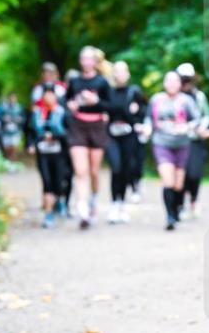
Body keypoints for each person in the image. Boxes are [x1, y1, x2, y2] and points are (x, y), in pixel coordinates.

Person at [143, 70, 201, 230]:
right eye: (168, 81)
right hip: (161, 143)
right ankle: (169, 216)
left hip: (182, 144)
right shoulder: (156, 99)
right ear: (164, 83)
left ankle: (176, 209)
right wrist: (147, 129)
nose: (172, 84)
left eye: (175, 81)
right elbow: (148, 118)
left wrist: (188, 126)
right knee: (167, 180)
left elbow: (196, 119)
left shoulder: (186, 100)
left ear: (180, 84)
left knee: (178, 183)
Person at [65, 46, 113, 229]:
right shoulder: (75, 81)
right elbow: (67, 101)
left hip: (97, 126)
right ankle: (82, 208)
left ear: (94, 61)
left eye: (89, 59)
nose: (86, 62)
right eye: (83, 59)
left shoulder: (102, 82)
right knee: (80, 171)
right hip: (78, 126)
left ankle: (93, 199)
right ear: (80, 61)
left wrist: (96, 102)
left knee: (93, 171)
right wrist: (71, 105)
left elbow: (110, 105)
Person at [105, 61, 147, 224]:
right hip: (112, 136)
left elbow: (144, 112)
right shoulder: (108, 92)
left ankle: (121, 204)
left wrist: (137, 116)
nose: (120, 74)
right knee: (116, 167)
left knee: (126, 169)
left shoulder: (134, 92)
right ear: (113, 74)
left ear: (128, 74)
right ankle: (114, 204)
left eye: (123, 71)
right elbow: (102, 107)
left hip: (129, 136)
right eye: (117, 71)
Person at [177, 62, 209, 219]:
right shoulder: (174, 97)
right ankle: (180, 204)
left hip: (196, 141)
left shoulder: (199, 97)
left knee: (195, 173)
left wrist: (203, 129)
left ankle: (193, 199)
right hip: (178, 141)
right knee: (181, 174)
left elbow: (206, 116)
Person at [31, 88, 70, 228]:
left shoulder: (62, 112)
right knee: (47, 182)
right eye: (45, 95)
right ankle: (48, 214)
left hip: (59, 154)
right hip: (43, 154)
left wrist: (54, 136)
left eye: (51, 94)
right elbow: (30, 131)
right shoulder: (37, 113)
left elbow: (69, 133)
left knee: (59, 182)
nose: (48, 97)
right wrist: (32, 144)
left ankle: (60, 202)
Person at [0, 92, 25, 160]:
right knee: (7, 147)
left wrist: (19, 120)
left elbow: (24, 119)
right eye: (11, 98)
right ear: (8, 99)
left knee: (14, 146)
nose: (12, 99)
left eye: (14, 98)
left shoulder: (20, 108)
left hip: (16, 130)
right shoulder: (3, 108)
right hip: (5, 130)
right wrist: (4, 119)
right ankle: (8, 160)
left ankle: (13, 160)